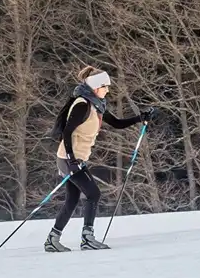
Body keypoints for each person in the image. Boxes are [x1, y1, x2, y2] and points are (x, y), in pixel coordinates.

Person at [46, 66, 154, 253]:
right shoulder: (82, 104)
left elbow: (117, 124)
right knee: (93, 194)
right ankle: (87, 239)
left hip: (75, 158)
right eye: (105, 86)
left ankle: (52, 240)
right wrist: (72, 158)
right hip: (68, 158)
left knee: (72, 199)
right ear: (95, 87)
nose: (108, 90)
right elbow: (67, 131)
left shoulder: (96, 105)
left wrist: (140, 118)